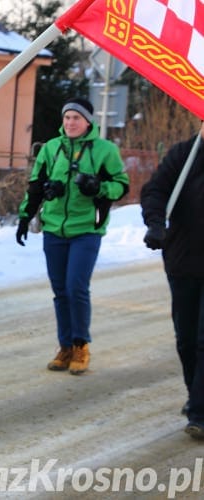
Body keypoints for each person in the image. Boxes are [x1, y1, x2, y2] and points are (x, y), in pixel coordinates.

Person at [16, 97, 129, 375]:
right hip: (54, 228)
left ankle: (80, 345)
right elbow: (35, 187)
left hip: (87, 230)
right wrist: (24, 217)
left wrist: (98, 187)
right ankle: (64, 346)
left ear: (88, 121)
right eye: (67, 118)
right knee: (59, 291)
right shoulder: (52, 149)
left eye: (76, 118)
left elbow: (122, 185)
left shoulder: (105, 150)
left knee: (76, 286)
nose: (70, 123)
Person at [140, 120, 204, 440]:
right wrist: (155, 223)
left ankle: (200, 411)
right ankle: (196, 393)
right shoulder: (183, 154)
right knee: (187, 337)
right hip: (182, 261)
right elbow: (154, 191)